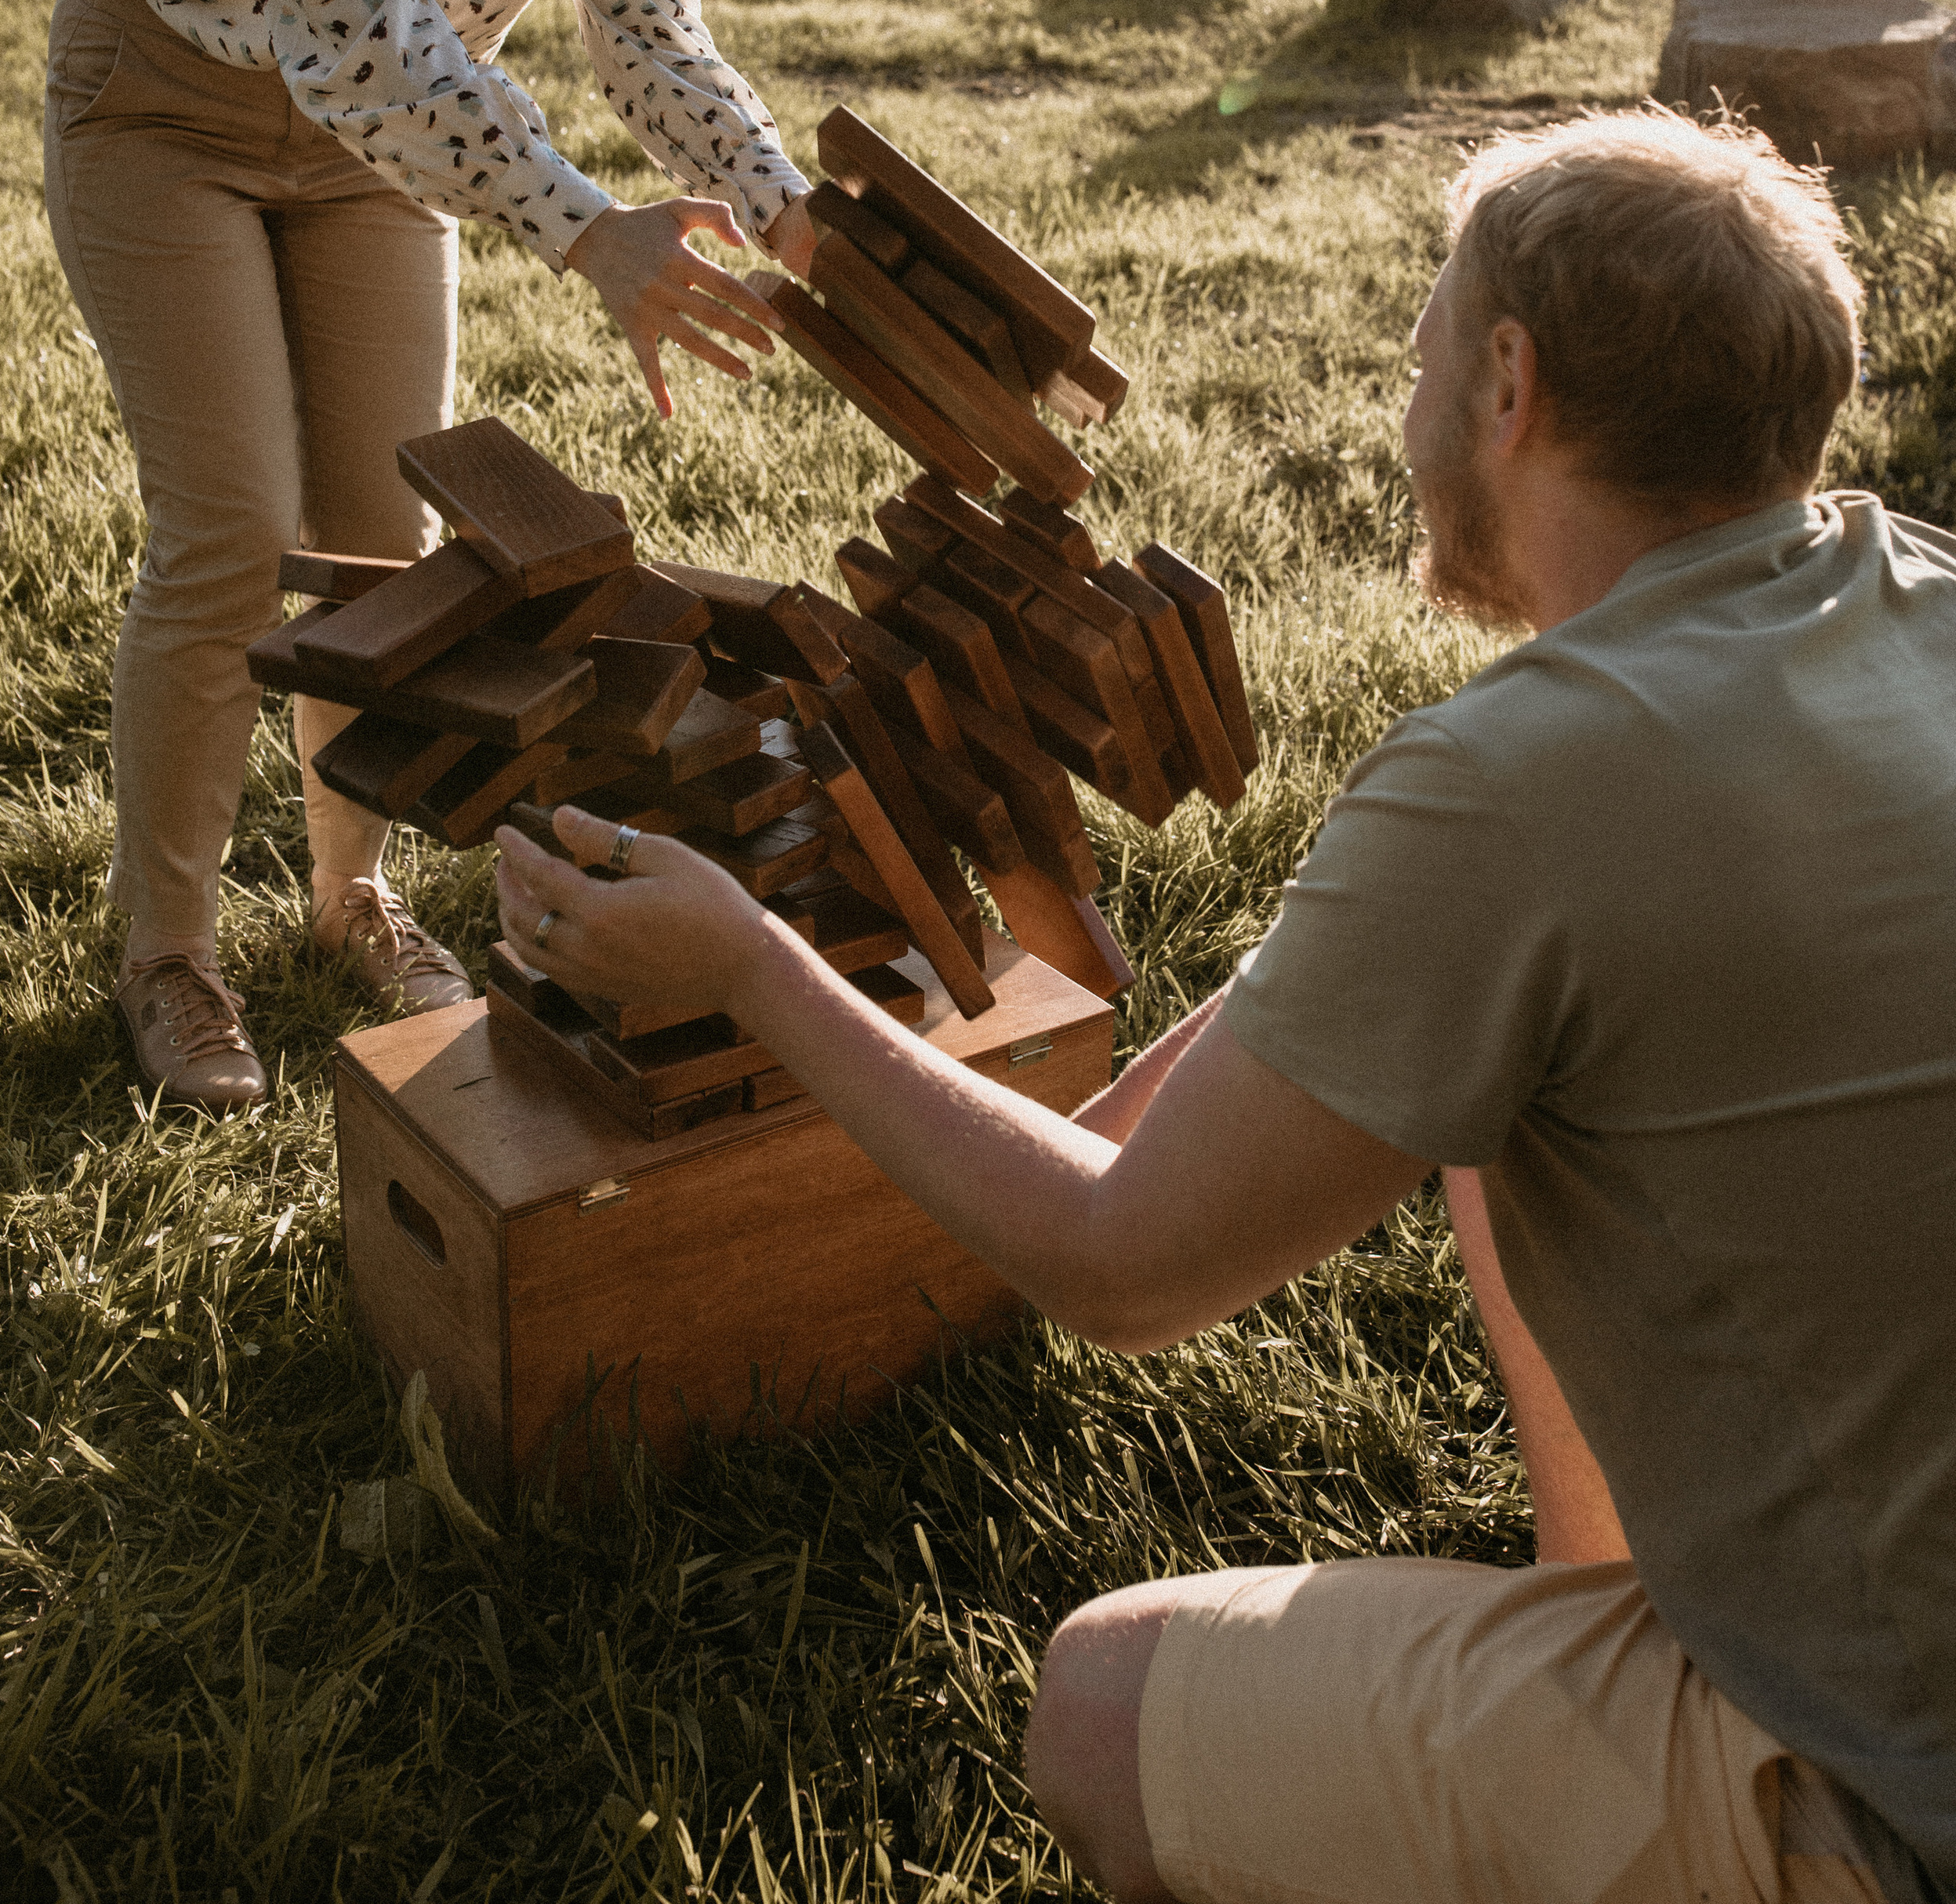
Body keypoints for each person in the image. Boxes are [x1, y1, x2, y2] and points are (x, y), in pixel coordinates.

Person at [495, 107, 1956, 1904]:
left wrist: (746, 968)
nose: (1403, 400)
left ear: (1507, 385)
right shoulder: (1920, 603)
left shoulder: (1515, 783)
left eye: (1419, 352)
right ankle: (1593, 1647)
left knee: (1098, 1709)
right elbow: (1177, 1118)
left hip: (1895, 1805)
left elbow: (1123, 1271)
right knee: (1503, 1129)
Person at [46, 0, 816, 1119]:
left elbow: (638, 9)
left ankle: (348, 897)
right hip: (165, 102)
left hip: (385, 151)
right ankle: (167, 954)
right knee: (232, 535)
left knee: (388, 555)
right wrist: (584, 230)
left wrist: (785, 212)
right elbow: (356, 38)